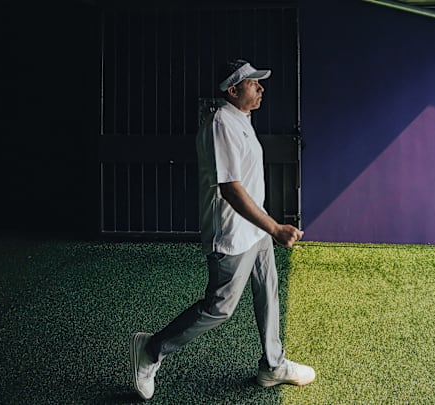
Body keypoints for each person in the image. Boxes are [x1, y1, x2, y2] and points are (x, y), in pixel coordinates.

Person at [129, 58, 315, 400]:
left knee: (268, 292)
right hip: (231, 237)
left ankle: (273, 365)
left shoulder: (241, 119)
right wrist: (275, 227)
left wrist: (265, 228)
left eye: (259, 82)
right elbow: (230, 189)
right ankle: (151, 349)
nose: (260, 88)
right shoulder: (220, 124)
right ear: (233, 90)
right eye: (252, 83)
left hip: (254, 231)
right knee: (219, 308)